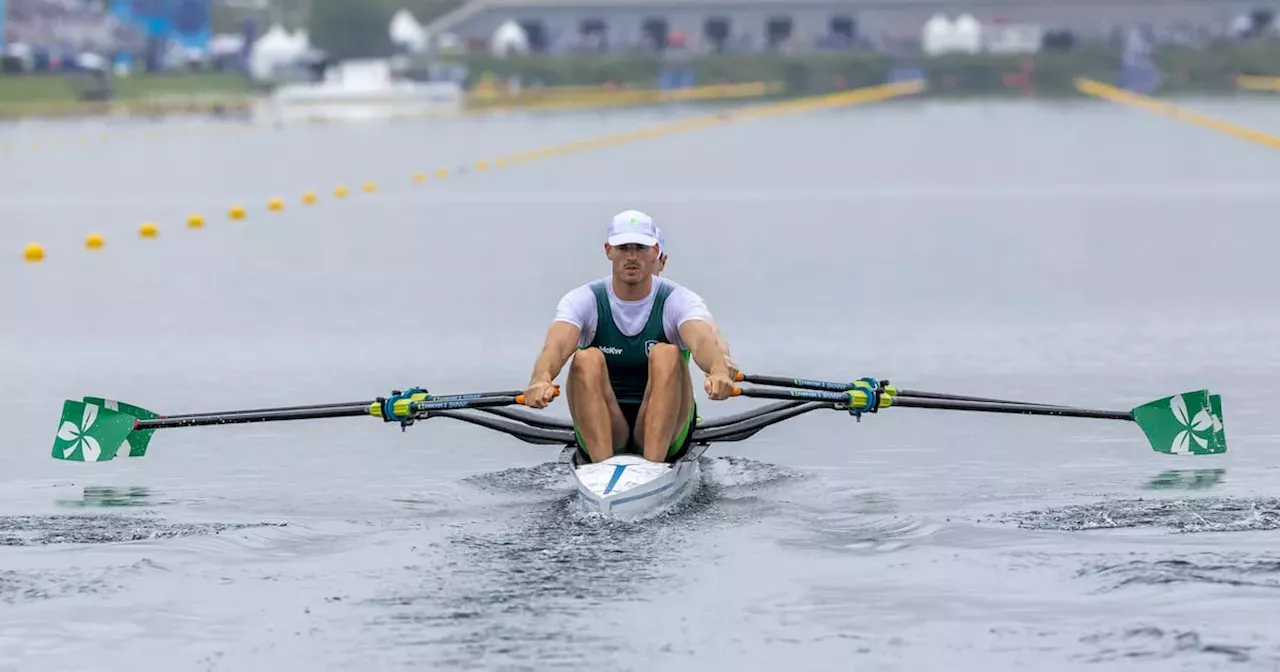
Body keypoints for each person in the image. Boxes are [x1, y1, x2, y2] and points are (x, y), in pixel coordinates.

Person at [523, 210, 736, 465]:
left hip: (669, 424)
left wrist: (718, 371)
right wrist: (540, 379)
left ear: (655, 251)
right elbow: (555, 347)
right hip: (606, 423)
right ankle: (602, 471)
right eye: (623, 248)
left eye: (640, 248)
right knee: (585, 358)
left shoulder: (679, 300)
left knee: (666, 353)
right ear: (608, 251)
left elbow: (703, 340)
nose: (632, 256)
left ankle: (653, 469)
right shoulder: (583, 300)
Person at [650, 225, 740, 381]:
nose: (636, 259)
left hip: (675, 401)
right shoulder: (598, 298)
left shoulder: (680, 300)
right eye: (626, 250)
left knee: (665, 354)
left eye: (648, 254)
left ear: (662, 262)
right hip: (610, 402)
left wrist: (722, 360)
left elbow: (709, 332)